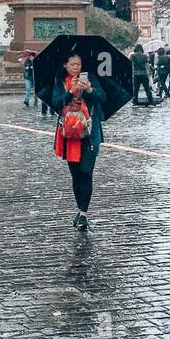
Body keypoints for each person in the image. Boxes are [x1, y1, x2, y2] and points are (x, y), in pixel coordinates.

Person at [45, 53, 108, 231]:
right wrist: (70, 91)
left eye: (78, 64)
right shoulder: (61, 81)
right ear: (65, 65)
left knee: (86, 172)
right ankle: (80, 208)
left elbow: (102, 98)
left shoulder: (91, 79)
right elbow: (56, 102)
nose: (76, 67)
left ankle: (83, 213)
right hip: (69, 136)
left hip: (89, 134)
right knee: (76, 176)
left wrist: (89, 90)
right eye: (72, 64)